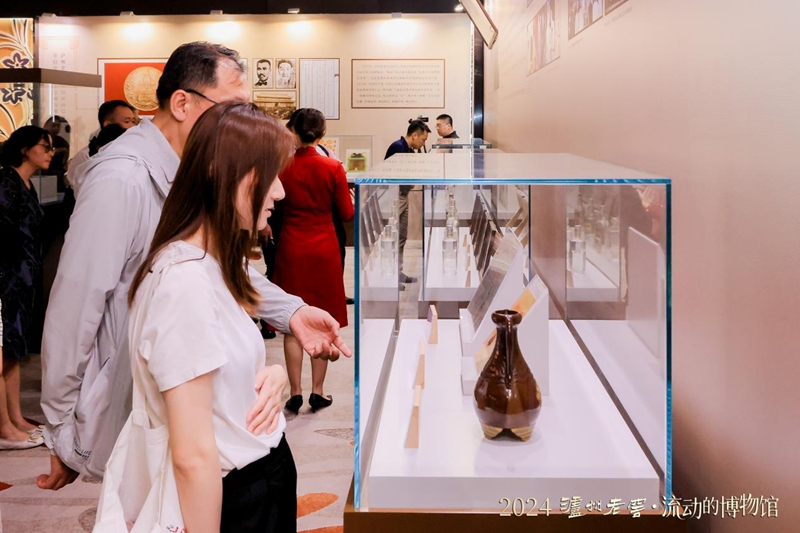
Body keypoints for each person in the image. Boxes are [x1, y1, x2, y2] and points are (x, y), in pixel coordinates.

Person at [38, 41, 351, 491]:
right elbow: (75, 306)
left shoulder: (193, 168)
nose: (239, 121)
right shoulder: (122, 177)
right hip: (131, 401)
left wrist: (292, 310)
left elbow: (220, 270)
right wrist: (62, 428)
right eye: (231, 107)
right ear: (183, 103)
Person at [122, 101, 297, 533]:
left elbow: (219, 373)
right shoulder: (184, 281)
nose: (279, 192)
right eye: (269, 176)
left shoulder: (213, 262)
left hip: (260, 475)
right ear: (225, 174)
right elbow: (193, 455)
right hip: (235, 496)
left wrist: (274, 375)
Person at [273, 108, 354, 414]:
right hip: (324, 247)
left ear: (292, 131)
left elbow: (276, 209)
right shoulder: (333, 167)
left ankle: (295, 391)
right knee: (321, 317)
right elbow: (346, 213)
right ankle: (318, 391)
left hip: (292, 244)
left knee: (292, 319)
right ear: (322, 134)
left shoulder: (282, 166)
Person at [0, 126, 53, 450]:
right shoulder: (7, 181)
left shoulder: (26, 183)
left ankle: (16, 419)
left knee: (13, 351)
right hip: (7, 278)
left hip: (21, 277)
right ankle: (5, 428)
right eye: (44, 146)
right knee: (3, 351)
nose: (50, 152)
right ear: (25, 149)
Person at [384, 120, 430, 286]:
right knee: (394, 236)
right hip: (396, 196)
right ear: (415, 135)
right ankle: (391, 275)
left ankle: (399, 272)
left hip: (403, 194)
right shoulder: (398, 147)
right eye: (423, 140)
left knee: (402, 236)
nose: (423, 143)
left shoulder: (407, 149)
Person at [68, 100, 138, 179]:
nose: (132, 126)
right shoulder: (86, 156)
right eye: (127, 121)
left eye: (134, 121)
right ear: (107, 125)